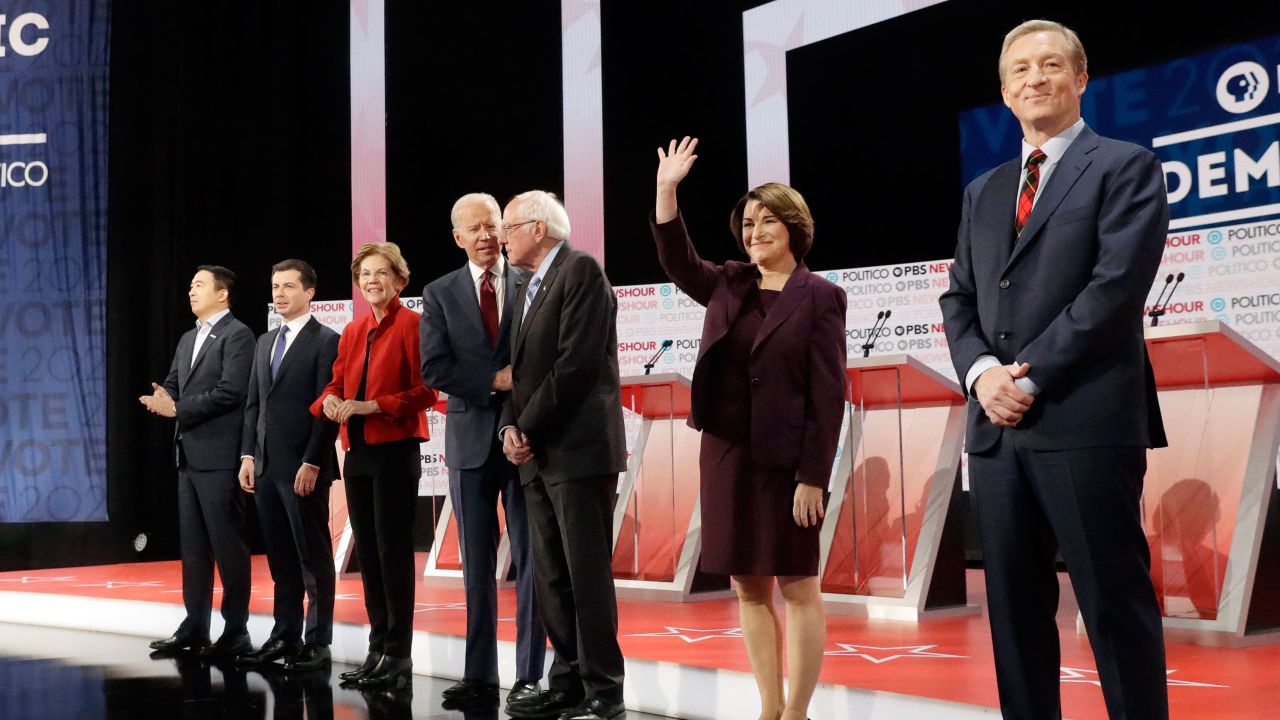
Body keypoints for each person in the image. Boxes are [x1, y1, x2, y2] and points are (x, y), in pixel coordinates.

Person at [938, 19, 1170, 719]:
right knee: (1012, 619)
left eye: (1049, 66)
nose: (1034, 79)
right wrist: (983, 374)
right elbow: (960, 295)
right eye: (1019, 70)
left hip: (1085, 420)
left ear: (1080, 79)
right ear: (1004, 92)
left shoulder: (1125, 166)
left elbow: (1114, 289)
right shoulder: (985, 189)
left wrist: (1028, 376)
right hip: (998, 433)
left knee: (1113, 610)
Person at [650, 138, 846, 720]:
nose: (755, 230)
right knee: (747, 585)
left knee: (797, 584)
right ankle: (769, 707)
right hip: (727, 454)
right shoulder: (729, 282)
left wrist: (813, 475)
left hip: (787, 464)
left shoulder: (821, 297)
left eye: (767, 220)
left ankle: (798, 712)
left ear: (794, 225)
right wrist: (666, 190)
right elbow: (676, 258)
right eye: (748, 222)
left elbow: (829, 395)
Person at [497, 191, 627, 720]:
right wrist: (509, 425)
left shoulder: (580, 271)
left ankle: (605, 688)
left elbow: (575, 365)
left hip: (577, 450)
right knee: (551, 573)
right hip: (536, 452)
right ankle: (568, 680)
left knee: (585, 571)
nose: (499, 237)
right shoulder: (529, 286)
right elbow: (516, 373)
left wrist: (524, 425)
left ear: (537, 227)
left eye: (507, 226)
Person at [420, 193, 546, 709]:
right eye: (474, 228)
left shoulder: (532, 280)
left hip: (528, 440)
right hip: (470, 443)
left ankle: (529, 675)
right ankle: (478, 674)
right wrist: (493, 380)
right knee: (476, 565)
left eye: (492, 225)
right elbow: (434, 368)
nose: (486, 236)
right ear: (458, 237)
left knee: (533, 562)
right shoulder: (439, 292)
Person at [310, 242, 438, 690]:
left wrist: (372, 406)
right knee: (368, 554)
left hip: (395, 448)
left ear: (400, 280)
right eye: (365, 274)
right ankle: (377, 648)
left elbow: (428, 391)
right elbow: (336, 381)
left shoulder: (414, 326)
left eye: (381, 273)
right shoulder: (352, 330)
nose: (371, 281)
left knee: (393, 553)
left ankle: (398, 655)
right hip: (358, 452)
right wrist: (329, 398)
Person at [140, 265, 255, 659]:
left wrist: (178, 408)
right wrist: (163, 397)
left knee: (228, 547)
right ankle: (195, 625)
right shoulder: (189, 337)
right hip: (188, 457)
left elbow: (231, 392)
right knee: (193, 549)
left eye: (199, 285)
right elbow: (174, 382)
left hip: (220, 457)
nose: (191, 290)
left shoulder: (238, 335)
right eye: (190, 285)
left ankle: (236, 630)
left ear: (222, 294)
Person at [236, 259, 341, 671]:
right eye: (275, 286)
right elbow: (253, 406)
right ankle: (284, 636)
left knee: (313, 557)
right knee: (280, 560)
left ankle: (318, 643)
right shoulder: (265, 342)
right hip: (264, 468)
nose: (279, 294)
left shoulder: (327, 341)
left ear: (310, 292)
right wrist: (248, 455)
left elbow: (327, 409)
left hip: (303, 468)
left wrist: (313, 461)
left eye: (289, 287)